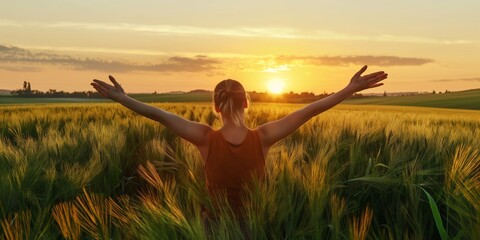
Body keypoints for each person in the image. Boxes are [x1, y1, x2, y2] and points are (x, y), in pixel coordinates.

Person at [90, 65, 387, 220]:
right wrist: (348, 90)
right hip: (252, 229)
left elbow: (158, 115)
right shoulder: (264, 137)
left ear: (216, 107)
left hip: (211, 229)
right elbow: (309, 110)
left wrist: (124, 98)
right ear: (246, 103)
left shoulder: (204, 138)